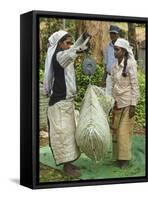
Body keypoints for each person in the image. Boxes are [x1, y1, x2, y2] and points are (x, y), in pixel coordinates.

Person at [43, 30, 90, 177]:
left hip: (66, 103)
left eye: (71, 42)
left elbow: (74, 47)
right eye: (67, 42)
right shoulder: (59, 56)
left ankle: (69, 163)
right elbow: (73, 52)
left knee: (69, 135)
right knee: (63, 137)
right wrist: (82, 48)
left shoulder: (65, 52)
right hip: (59, 104)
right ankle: (66, 166)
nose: (70, 45)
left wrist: (84, 37)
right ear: (60, 44)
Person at [111, 38, 140, 169]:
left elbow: (135, 85)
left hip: (128, 103)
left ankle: (125, 160)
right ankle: (118, 157)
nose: (114, 52)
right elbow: (113, 85)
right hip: (117, 102)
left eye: (117, 50)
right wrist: (112, 101)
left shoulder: (131, 64)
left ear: (123, 51)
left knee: (124, 132)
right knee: (116, 132)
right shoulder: (115, 65)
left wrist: (133, 105)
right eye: (114, 49)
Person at [103, 25, 120, 96]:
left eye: (114, 33)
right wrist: (104, 78)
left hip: (119, 77)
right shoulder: (108, 47)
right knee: (108, 98)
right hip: (109, 76)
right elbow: (106, 63)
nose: (112, 35)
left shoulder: (121, 47)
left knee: (117, 98)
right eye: (111, 33)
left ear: (118, 34)